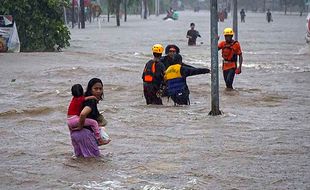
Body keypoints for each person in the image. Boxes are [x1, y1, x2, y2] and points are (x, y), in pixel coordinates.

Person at [70, 78, 107, 157]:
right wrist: (80, 126)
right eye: (95, 89)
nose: (98, 91)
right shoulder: (91, 101)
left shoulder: (82, 99)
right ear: (90, 89)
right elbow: (83, 114)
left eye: (100, 89)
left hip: (75, 135)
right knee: (95, 161)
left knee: (80, 160)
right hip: (85, 134)